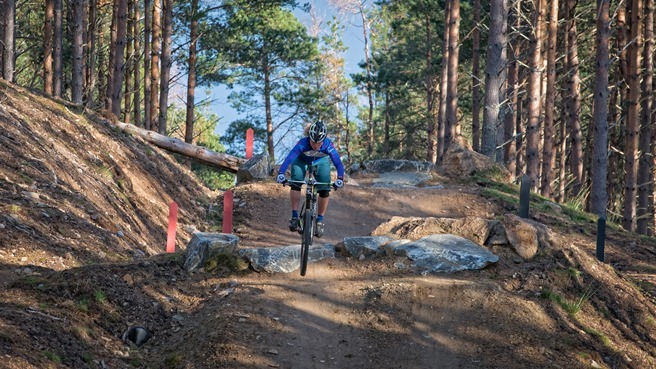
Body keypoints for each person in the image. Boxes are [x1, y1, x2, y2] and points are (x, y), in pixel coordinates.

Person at [276, 121, 345, 237]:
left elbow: (338, 162)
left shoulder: (328, 145)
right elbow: (289, 158)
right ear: (309, 138)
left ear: (324, 140)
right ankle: (294, 216)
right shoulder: (302, 144)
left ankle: (319, 220)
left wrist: (340, 178)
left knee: (324, 189)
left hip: (320, 162)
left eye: (319, 143)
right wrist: (281, 173)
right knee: (296, 182)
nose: (316, 146)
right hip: (301, 161)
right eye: (313, 142)